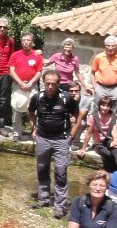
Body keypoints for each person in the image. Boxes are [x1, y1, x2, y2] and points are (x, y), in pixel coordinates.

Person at [28, 68, 79, 218]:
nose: (50, 87)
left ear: (58, 84)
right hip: (42, 138)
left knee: (61, 172)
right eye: (47, 83)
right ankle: (43, 199)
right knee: (42, 168)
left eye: (53, 84)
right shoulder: (37, 97)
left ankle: (60, 205)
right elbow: (30, 113)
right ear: (44, 83)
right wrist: (33, 129)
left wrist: (73, 134)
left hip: (61, 139)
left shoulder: (66, 98)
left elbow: (76, 114)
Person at [8, 32, 45, 140]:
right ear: (21, 42)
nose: (25, 42)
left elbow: (39, 71)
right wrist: (21, 83)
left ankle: (34, 132)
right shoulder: (15, 55)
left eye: (28, 40)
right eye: (23, 40)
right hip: (18, 84)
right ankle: (16, 133)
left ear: (32, 42)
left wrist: (30, 83)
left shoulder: (37, 55)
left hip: (32, 85)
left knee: (34, 109)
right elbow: (11, 71)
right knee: (16, 108)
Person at [75, 95, 117, 172]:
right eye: (103, 105)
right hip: (99, 143)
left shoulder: (112, 116)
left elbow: (114, 129)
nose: (105, 108)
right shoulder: (93, 117)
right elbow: (88, 133)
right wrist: (83, 148)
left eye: (107, 106)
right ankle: (110, 171)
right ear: (99, 105)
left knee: (116, 151)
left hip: (109, 140)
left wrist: (115, 140)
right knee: (109, 154)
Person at [90, 35, 117, 120]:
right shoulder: (99, 57)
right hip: (100, 87)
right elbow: (92, 73)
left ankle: (110, 130)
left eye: (113, 46)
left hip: (115, 88)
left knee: (113, 110)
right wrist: (95, 87)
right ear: (105, 46)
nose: (110, 48)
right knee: (97, 109)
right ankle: (95, 129)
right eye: (108, 46)